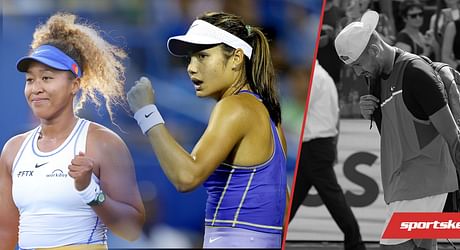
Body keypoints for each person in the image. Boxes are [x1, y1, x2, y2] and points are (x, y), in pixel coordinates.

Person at [126, 12, 287, 248]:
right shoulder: (269, 115)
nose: (191, 68)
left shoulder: (234, 107)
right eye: (190, 59)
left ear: (236, 58)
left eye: (203, 56)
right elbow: (284, 204)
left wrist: (146, 112)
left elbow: (186, 177)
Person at [335, 10, 460, 250]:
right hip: (404, 183)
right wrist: (373, 113)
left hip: (423, 183)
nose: (357, 72)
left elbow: (454, 139)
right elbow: (395, 136)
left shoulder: (417, 74)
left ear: (374, 51)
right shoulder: (374, 77)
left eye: (357, 65)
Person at [0, 13, 145, 250]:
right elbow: (5, 232)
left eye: (46, 78)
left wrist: (90, 191)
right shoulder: (12, 150)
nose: (36, 88)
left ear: (74, 85)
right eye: (29, 80)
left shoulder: (103, 143)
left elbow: (132, 229)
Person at [288, 60, 366, 250]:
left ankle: (355, 243)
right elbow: (336, 115)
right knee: (294, 200)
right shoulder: (324, 76)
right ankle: (355, 242)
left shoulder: (314, 77)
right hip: (319, 145)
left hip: (313, 146)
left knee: (331, 198)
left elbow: (298, 106)